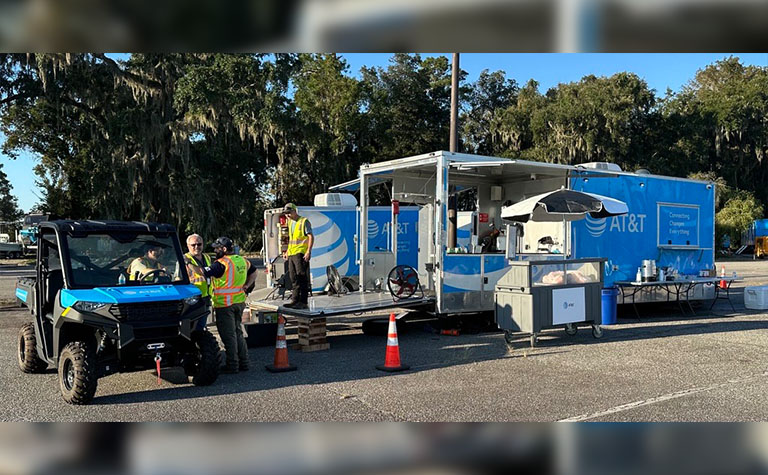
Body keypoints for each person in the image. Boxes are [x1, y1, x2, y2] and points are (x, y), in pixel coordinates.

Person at [201, 237, 258, 374]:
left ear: (224, 249)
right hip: (239, 302)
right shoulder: (242, 260)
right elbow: (255, 272)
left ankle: (233, 365)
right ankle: (244, 362)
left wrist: (189, 265)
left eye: (217, 248)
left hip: (225, 305)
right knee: (238, 333)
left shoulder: (221, 263)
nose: (215, 250)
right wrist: (247, 286)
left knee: (228, 336)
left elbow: (203, 272)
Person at [282, 203, 313, 309]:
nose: (287, 215)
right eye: (286, 214)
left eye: (289, 213)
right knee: (293, 277)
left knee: (302, 277)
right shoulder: (290, 223)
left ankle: (303, 302)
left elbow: (310, 236)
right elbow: (291, 239)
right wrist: (286, 252)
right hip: (292, 253)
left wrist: (308, 251)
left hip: (300, 253)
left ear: (295, 211)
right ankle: (295, 300)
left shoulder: (304, 221)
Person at [184, 234, 212, 331]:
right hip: (192, 298)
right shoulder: (184, 259)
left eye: (199, 244)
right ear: (188, 246)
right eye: (193, 245)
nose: (197, 247)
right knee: (193, 327)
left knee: (202, 325)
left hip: (206, 296)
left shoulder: (207, 257)